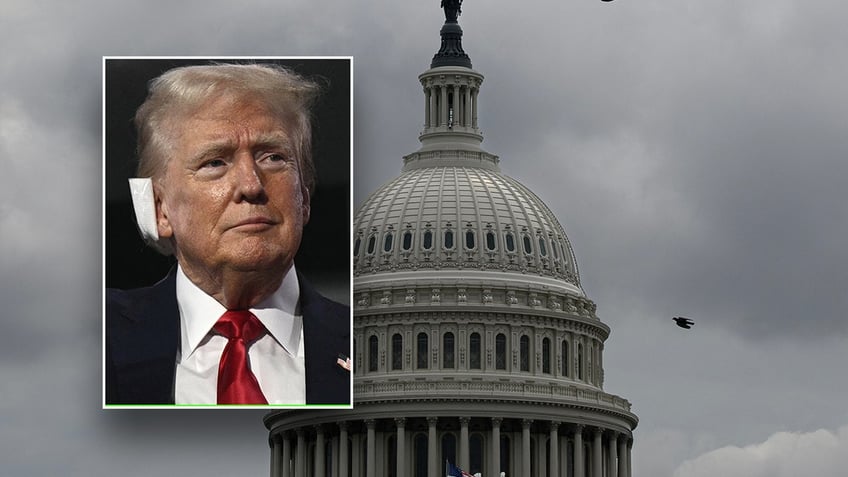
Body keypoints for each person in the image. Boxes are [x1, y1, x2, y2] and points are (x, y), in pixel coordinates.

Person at [105, 61, 351, 406]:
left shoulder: (369, 342)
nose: (251, 186)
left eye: (273, 158)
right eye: (215, 163)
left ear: (304, 197)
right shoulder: (98, 336)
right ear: (160, 210)